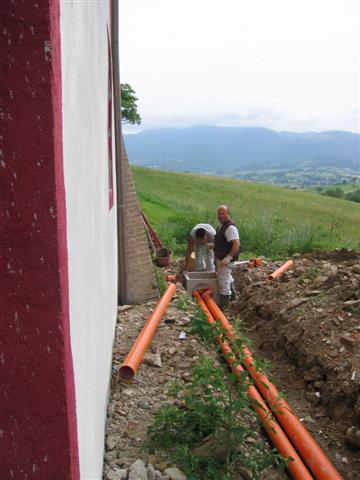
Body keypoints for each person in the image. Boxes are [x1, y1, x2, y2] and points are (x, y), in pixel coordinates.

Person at [214, 205, 240, 307]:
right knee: (227, 277)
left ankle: (224, 306)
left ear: (228, 214)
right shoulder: (222, 226)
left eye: (223, 213)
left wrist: (228, 257)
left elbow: (236, 243)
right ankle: (234, 297)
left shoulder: (230, 227)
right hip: (221, 259)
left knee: (223, 282)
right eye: (219, 214)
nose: (220, 216)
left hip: (226, 260)